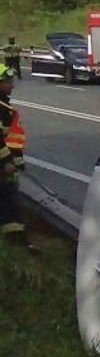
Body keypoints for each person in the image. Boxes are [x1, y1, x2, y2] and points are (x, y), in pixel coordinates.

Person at [0, 63, 26, 244]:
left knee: (10, 199)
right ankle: (15, 241)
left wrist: (18, 161)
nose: (12, 85)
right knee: (9, 201)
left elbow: (12, 138)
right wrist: (6, 162)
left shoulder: (4, 105)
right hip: (3, 165)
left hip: (8, 164)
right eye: (8, 81)